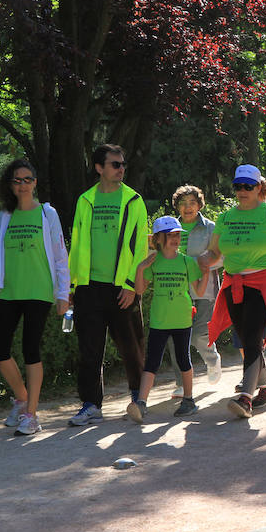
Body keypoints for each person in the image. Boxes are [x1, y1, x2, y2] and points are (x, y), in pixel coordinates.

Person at [201, 165, 266, 419]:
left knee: (252, 339)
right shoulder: (226, 217)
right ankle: (265, 390)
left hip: (264, 285)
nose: (242, 191)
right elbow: (214, 252)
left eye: (248, 186)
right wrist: (199, 260)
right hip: (234, 285)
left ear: (259, 188)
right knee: (247, 339)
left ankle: (246, 399)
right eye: (238, 186)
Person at [67, 144, 148, 426]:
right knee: (89, 349)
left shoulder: (133, 200)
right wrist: (73, 285)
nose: (121, 168)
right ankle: (91, 404)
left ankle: (139, 397)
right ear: (99, 168)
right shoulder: (85, 200)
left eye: (123, 164)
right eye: (115, 164)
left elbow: (139, 247)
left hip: (121, 287)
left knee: (130, 345)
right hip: (89, 287)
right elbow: (77, 245)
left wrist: (130, 284)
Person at [0, 159, 69, 435]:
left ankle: (31, 416)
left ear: (35, 182)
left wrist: (63, 293)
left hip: (39, 292)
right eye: (17, 180)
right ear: (10, 185)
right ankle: (22, 399)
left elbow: (60, 256)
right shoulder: (4, 216)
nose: (22, 184)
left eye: (27, 179)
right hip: (11, 292)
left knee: (30, 350)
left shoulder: (47, 214)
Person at [126, 216, 208, 423]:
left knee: (183, 359)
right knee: (151, 362)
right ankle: (142, 404)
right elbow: (139, 289)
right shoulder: (153, 261)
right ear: (159, 239)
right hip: (160, 320)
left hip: (182, 319)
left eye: (178, 235)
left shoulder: (187, 262)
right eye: (170, 235)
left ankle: (189, 400)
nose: (175, 239)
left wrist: (205, 272)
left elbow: (198, 290)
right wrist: (140, 269)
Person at [163, 185, 222, 397]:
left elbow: (221, 258)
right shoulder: (169, 228)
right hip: (176, 292)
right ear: (176, 206)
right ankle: (181, 383)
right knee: (175, 339)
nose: (187, 207)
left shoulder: (210, 228)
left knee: (198, 335)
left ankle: (212, 360)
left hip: (205, 290)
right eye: (183, 203)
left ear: (199, 205)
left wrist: (198, 263)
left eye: (192, 203)